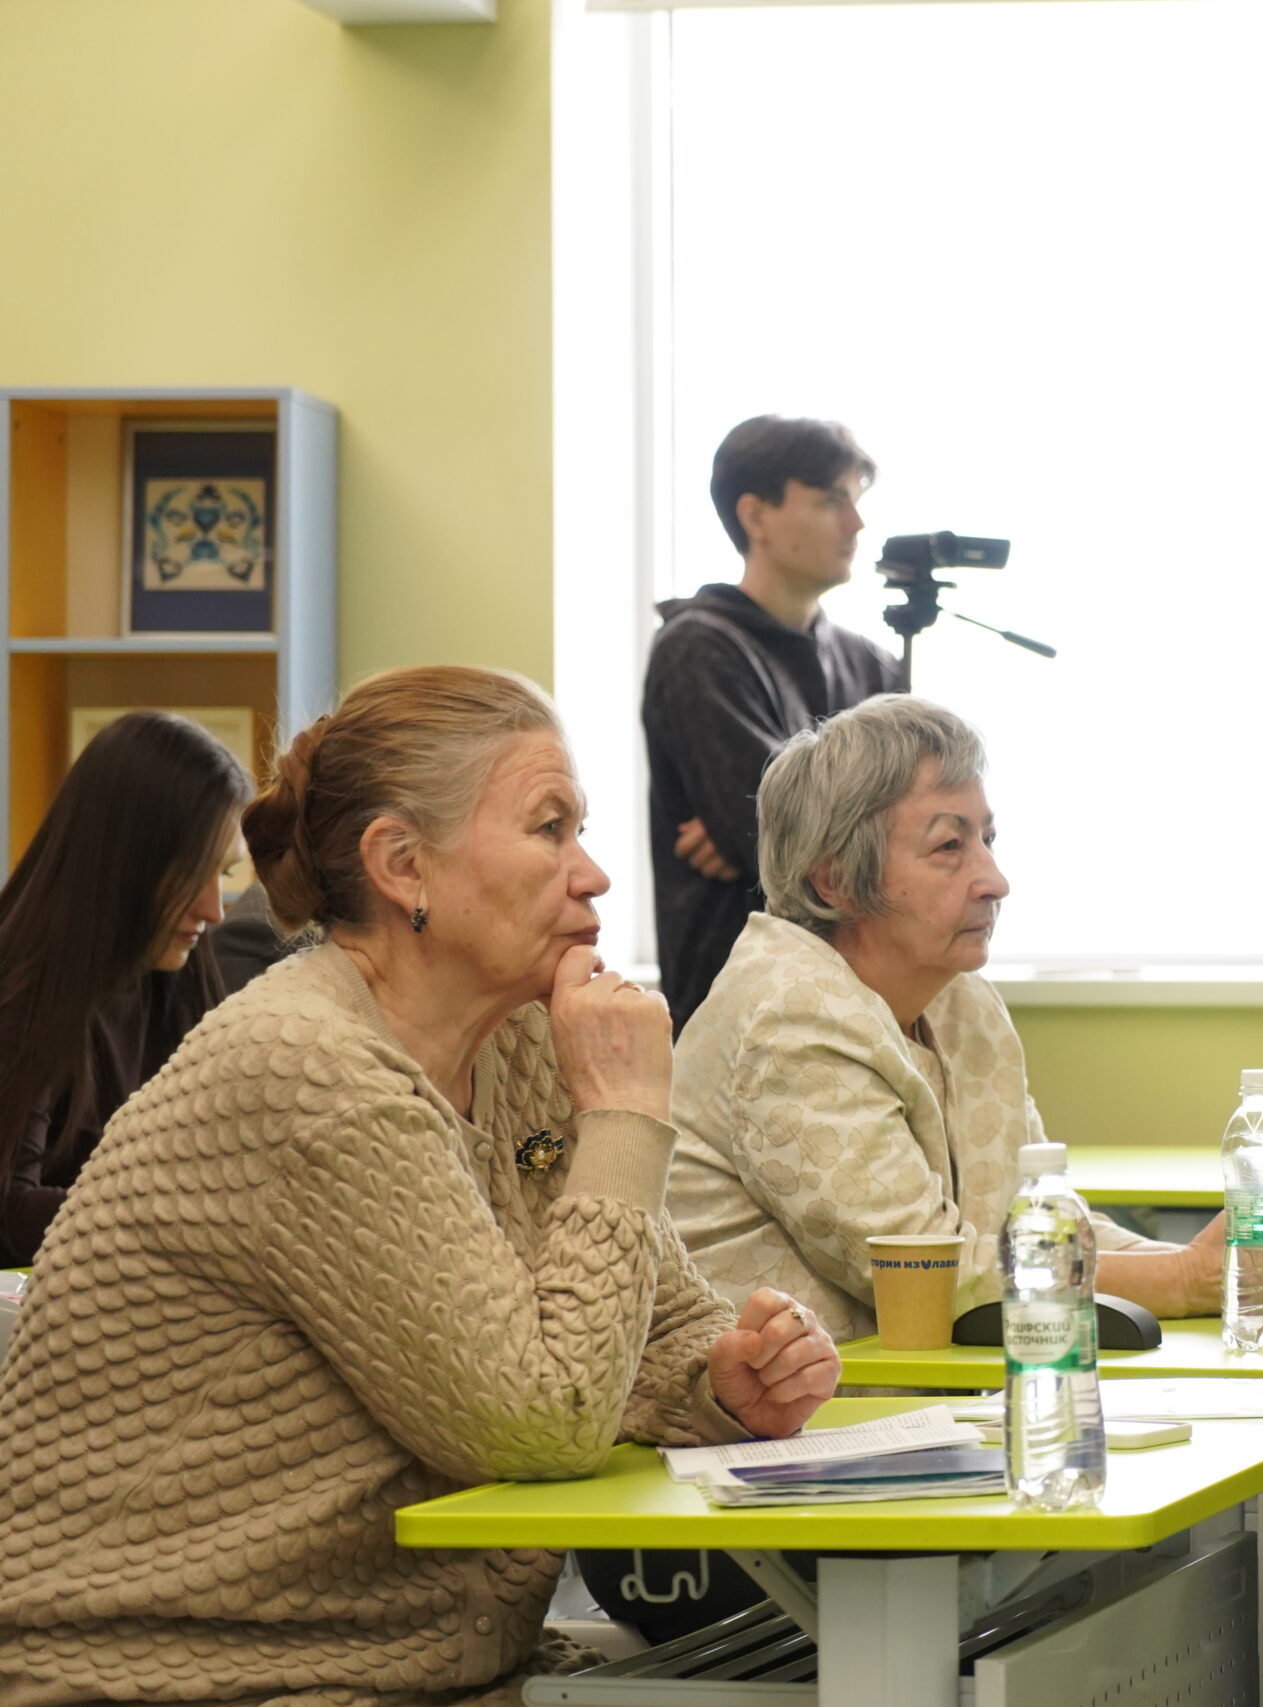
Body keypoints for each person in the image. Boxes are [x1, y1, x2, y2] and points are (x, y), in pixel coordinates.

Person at [0, 666, 839, 1707]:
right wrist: (626, 1114)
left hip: (408, 1668)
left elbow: (659, 1321)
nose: (592, 874)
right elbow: (542, 1419)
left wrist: (724, 1378)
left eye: (579, 830)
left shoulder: (522, 1041)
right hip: (172, 1680)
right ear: (403, 865)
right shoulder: (311, 1075)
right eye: (549, 828)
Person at [669, 695, 1263, 1339]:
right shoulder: (788, 1017)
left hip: (928, 1402)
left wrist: (1218, 1267)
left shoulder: (961, 1000)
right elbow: (930, 1275)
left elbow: (1039, 1230)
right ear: (837, 880)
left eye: (988, 839)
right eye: (950, 847)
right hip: (790, 1421)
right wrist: (1180, 1278)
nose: (995, 880)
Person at [644, 414, 900, 1033]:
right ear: (755, 515)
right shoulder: (698, 649)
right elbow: (768, 838)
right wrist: (779, 832)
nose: (856, 523)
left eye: (856, 500)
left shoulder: (871, 663)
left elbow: (908, 836)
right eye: (831, 500)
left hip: (868, 998)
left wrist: (781, 827)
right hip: (738, 1012)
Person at [0, 711, 250, 1267]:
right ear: (126, 862)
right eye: (192, 872)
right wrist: (186, 1215)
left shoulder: (184, 976)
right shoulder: (21, 991)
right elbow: (8, 1211)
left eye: (224, 873)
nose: (213, 908)